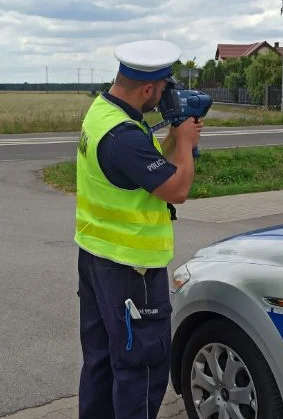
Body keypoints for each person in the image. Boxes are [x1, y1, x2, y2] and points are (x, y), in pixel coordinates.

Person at [74, 39, 203, 419]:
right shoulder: (125, 137)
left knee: (100, 362)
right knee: (140, 369)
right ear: (148, 88)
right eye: (163, 90)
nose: (165, 98)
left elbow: (145, 172)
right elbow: (177, 188)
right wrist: (186, 143)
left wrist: (174, 138)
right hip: (131, 269)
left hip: (97, 257)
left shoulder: (103, 114)